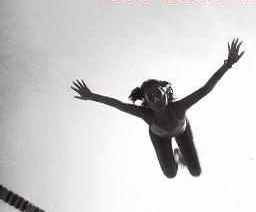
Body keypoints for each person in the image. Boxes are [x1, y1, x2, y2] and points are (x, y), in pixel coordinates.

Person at [71, 39, 244, 178]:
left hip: (182, 131)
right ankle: (176, 157)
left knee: (196, 172)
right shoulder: (145, 114)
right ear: (146, 102)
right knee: (170, 174)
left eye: (158, 94)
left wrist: (227, 64)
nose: (156, 100)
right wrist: (91, 96)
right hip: (158, 137)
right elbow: (119, 105)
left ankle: (180, 155)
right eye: (151, 97)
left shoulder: (179, 107)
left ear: (166, 94)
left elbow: (205, 89)